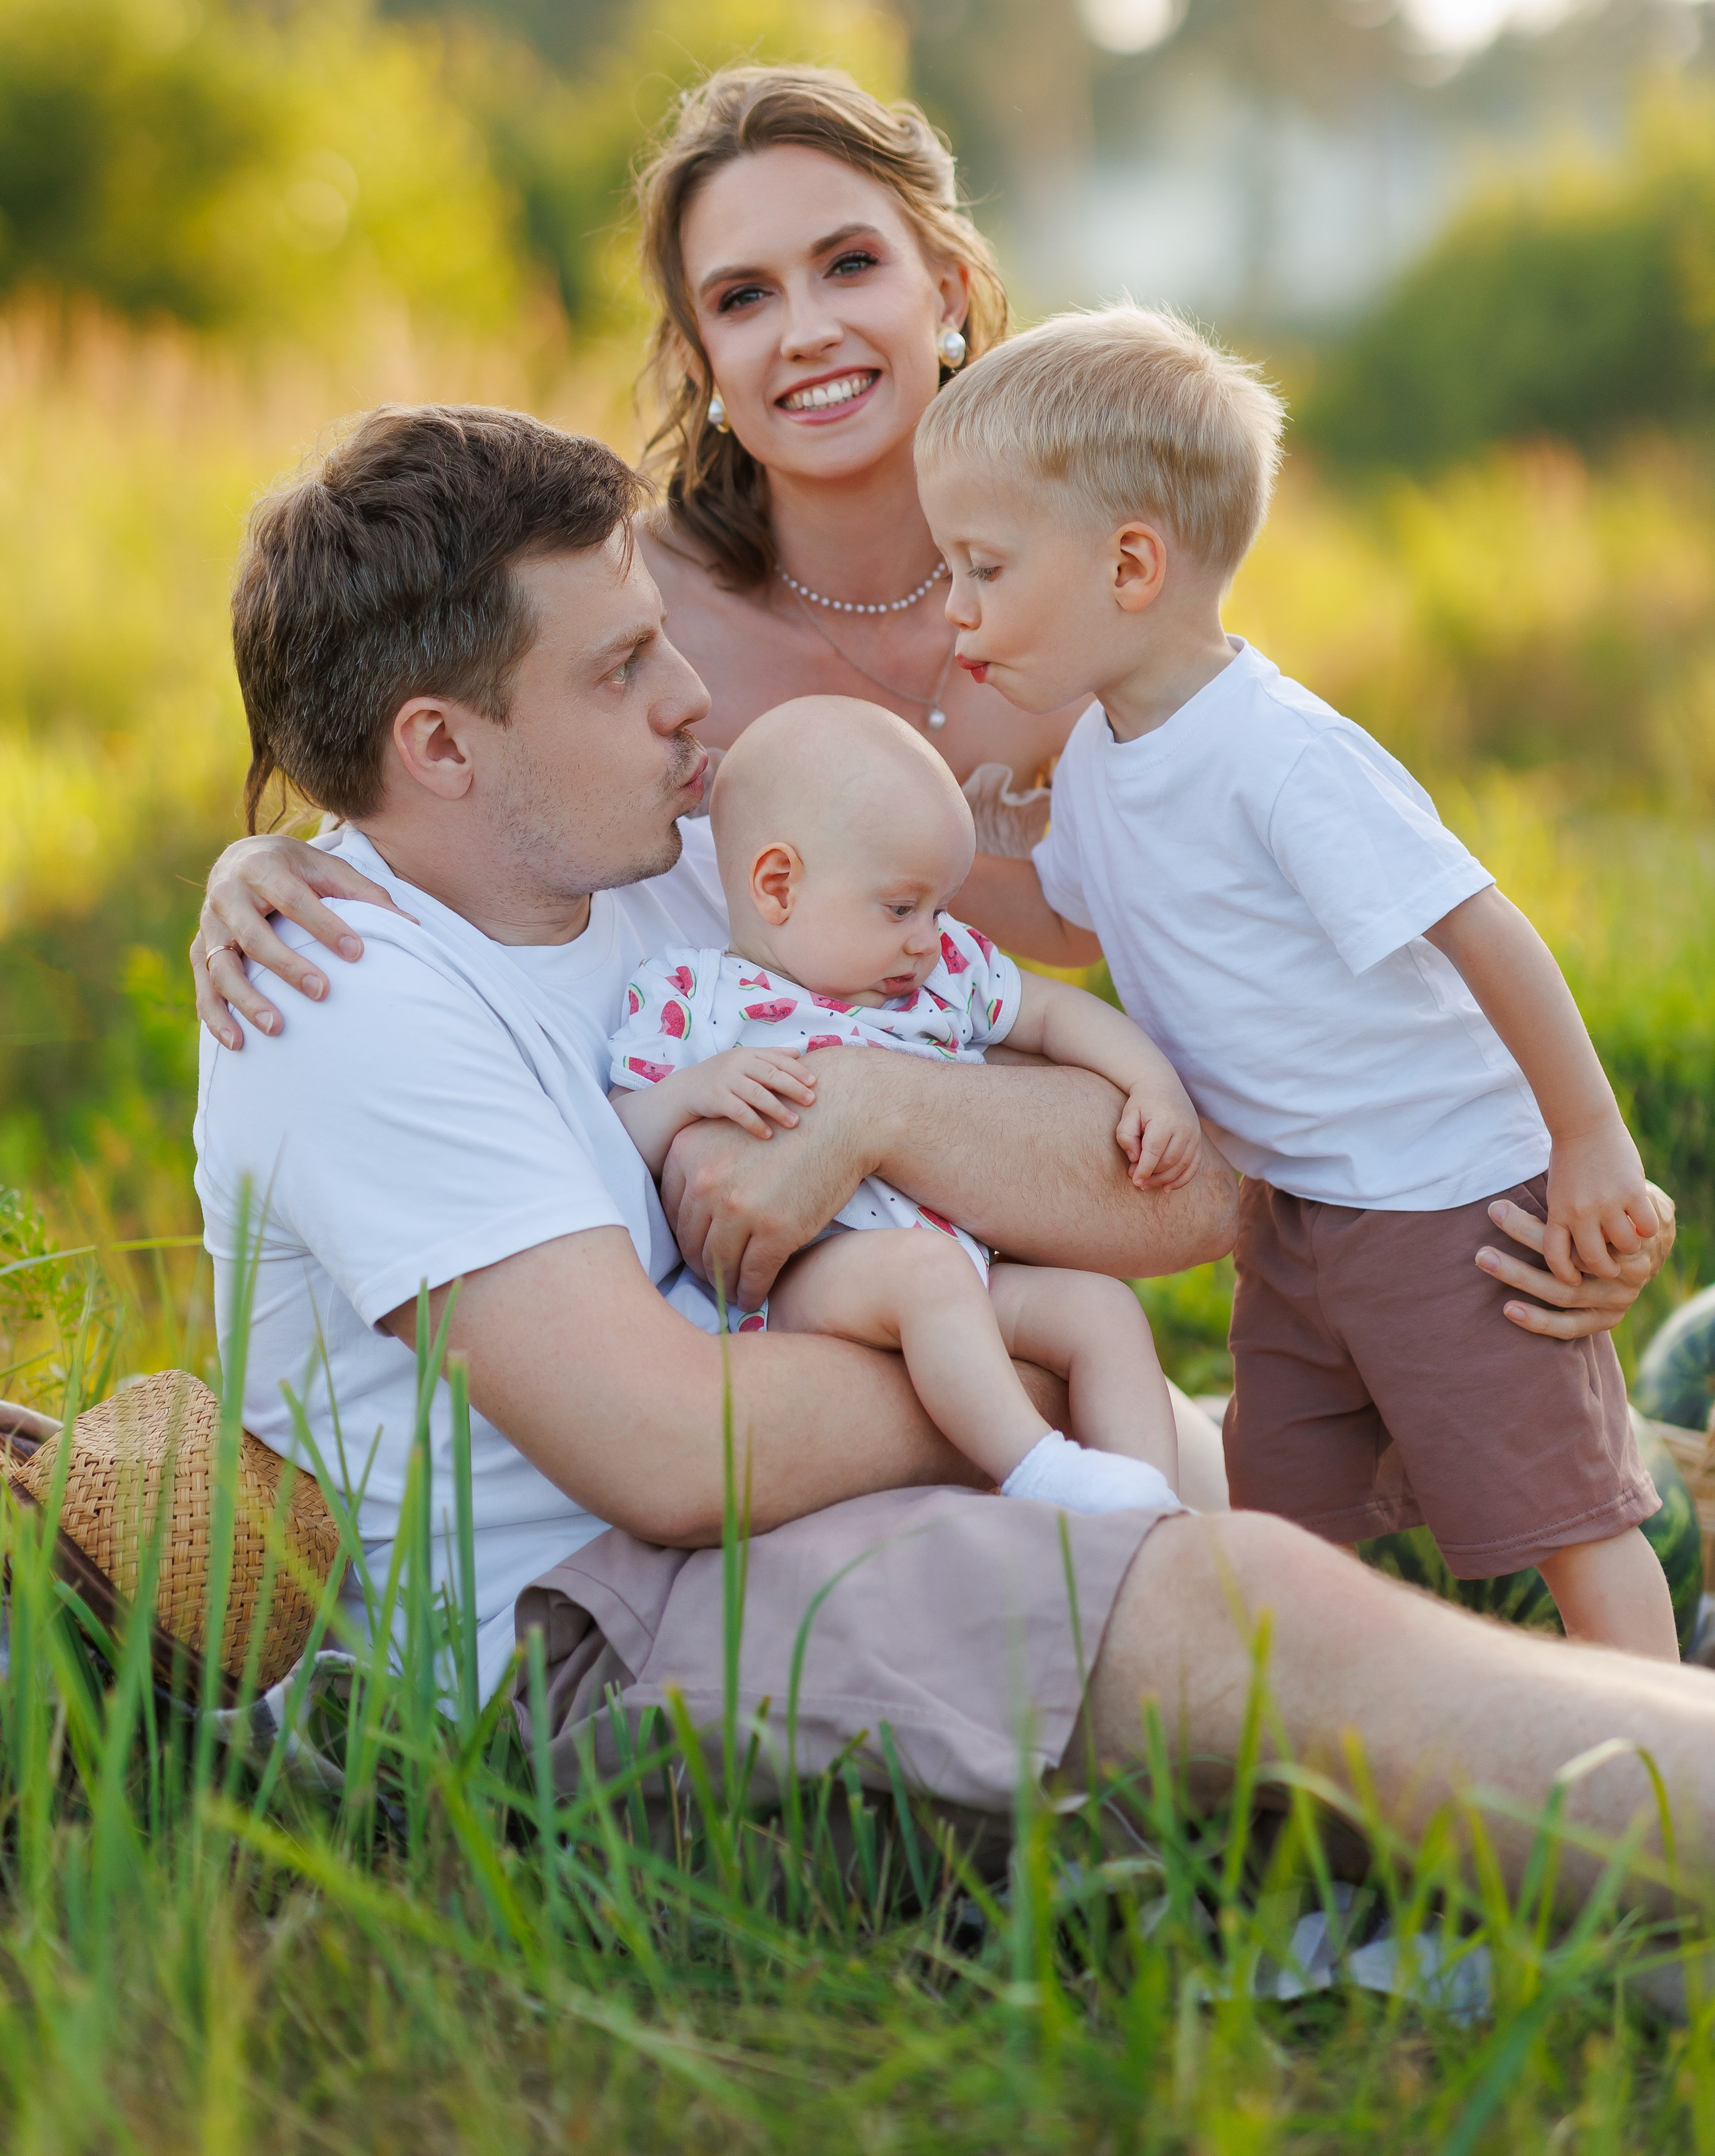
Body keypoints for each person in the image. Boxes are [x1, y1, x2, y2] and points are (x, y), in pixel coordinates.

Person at [194, 396, 1715, 1914]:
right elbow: (667, 1448)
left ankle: (1626, 1663)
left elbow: (1183, 1183)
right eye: (617, 667)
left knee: (1325, 1486)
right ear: (440, 747)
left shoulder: (678, 863)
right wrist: (1017, 1379)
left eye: (662, 636)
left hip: (820, 1503)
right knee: (1252, 1601)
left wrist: (880, 1108)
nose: (686, 699)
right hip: (604, 1650)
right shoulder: (338, 992)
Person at [187, 64, 1643, 1502]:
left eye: (848, 264)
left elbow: (1331, 863)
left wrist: (1541, 1147)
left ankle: (1630, 1468)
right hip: (843, 1237)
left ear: (947, 285)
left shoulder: (1091, 563)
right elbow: (458, 794)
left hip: (1151, 1140)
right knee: (1295, 1477)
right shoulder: (661, 622)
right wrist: (258, 866)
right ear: (696, 351)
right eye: (742, 298)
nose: (805, 330)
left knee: (1499, 1452)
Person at [915, 305, 1677, 1662]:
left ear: (1130, 563)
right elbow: (1070, 919)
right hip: (1298, 1220)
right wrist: (938, 853)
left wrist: (1584, 1137)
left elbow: (1480, 929)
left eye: (979, 567)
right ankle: (1330, 1777)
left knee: (1562, 1512)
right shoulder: (1094, 756)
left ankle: (1657, 1771)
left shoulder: (1276, 752)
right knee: (1280, 1523)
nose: (954, 608)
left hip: (1446, 1199)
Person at [608, 694, 1196, 1512]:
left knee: (1099, 1309)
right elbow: (616, 1135)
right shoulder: (696, 998)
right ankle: (1042, 1474)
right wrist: (691, 1091)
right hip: (806, 1284)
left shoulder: (936, 970)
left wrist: (1152, 1084)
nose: (928, 937)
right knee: (925, 1275)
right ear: (777, 886)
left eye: (939, 908)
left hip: (962, 1268)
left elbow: (1055, 1012)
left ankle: (1152, 1510)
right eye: (899, 908)